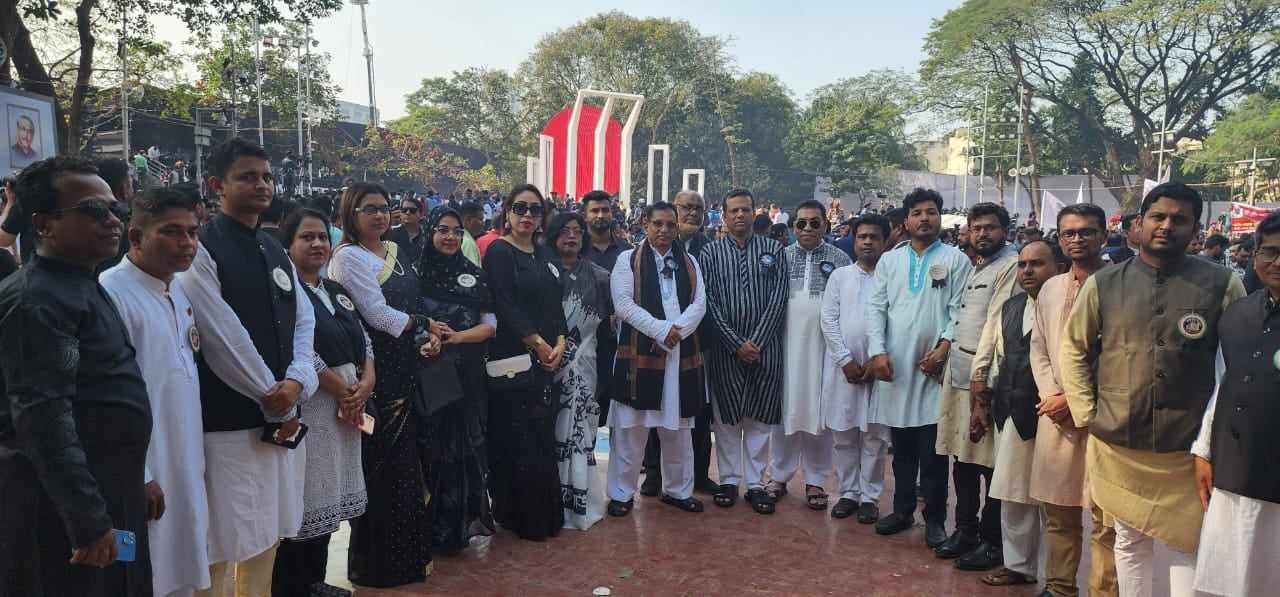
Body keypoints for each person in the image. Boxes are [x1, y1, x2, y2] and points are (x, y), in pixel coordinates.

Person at [1062, 182, 1245, 597]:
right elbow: (1073, 348)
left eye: (1179, 219)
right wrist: (1087, 413)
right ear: (1138, 224)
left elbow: (1237, 362)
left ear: (1196, 228)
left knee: (1188, 541)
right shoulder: (1104, 284)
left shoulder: (1221, 284)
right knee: (1128, 539)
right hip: (1118, 438)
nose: (1166, 226)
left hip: (1190, 445)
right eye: (1157, 217)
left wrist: (1219, 433)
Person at [0, 157, 151, 596]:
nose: (111, 221)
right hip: (60, 511)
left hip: (110, 492)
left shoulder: (82, 284)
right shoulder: (37, 301)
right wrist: (87, 520)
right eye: (92, 211)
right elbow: (43, 416)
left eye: (115, 210)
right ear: (44, 224)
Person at [176, 139, 317, 597]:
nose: (262, 185)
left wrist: (297, 380)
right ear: (217, 185)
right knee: (222, 539)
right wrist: (268, 392)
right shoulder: (202, 247)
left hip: (279, 414)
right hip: (227, 421)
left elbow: (303, 319)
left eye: (266, 177)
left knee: (268, 535)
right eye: (248, 177)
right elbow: (220, 333)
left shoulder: (274, 248)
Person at [100, 188, 211, 597]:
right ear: (135, 237)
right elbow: (107, 399)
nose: (187, 243)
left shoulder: (177, 288)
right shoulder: (112, 293)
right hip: (142, 471)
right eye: (172, 232)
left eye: (193, 232)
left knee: (180, 568)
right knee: (139, 572)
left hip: (183, 461)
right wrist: (141, 475)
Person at [327, 182, 435, 586]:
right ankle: (377, 565)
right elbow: (375, 314)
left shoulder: (395, 251)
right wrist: (423, 326)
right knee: (383, 470)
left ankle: (411, 558)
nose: (379, 215)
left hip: (410, 368)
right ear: (350, 215)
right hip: (380, 376)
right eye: (368, 208)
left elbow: (414, 301)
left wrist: (428, 334)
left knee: (411, 468)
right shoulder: (349, 259)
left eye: (384, 207)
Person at [270, 208, 371, 597]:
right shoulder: (284, 294)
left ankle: (315, 580)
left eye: (322, 237)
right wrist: (342, 390)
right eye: (306, 238)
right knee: (308, 496)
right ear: (288, 245)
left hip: (348, 403)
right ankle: (293, 587)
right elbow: (300, 349)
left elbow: (365, 339)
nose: (317, 244)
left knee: (331, 497)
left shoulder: (335, 290)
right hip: (314, 402)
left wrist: (366, 381)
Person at [866, 188, 972, 549]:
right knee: (903, 448)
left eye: (931, 212)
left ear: (940, 218)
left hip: (934, 371)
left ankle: (936, 520)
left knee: (934, 452)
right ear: (906, 220)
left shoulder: (957, 260)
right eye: (917, 213)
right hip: (896, 368)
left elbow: (960, 310)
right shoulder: (890, 261)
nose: (924, 218)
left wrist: (944, 347)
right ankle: (901, 509)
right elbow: (876, 309)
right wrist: (877, 352)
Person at [1030, 203, 1119, 597]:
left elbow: (1121, 355)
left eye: (1086, 231)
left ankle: (1103, 592)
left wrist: (1075, 400)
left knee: (1106, 519)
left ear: (1103, 235)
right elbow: (1039, 348)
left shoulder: (1120, 285)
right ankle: (1060, 586)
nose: (1077, 239)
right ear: (1060, 238)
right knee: (1059, 510)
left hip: (1105, 416)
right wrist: (1053, 396)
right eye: (1069, 233)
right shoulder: (1050, 288)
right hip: (1056, 416)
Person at [1191, 210, 1280, 597]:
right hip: (1233, 465)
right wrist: (1204, 450)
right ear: (1256, 256)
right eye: (1270, 252)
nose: (1277, 262)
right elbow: (1221, 383)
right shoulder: (1240, 313)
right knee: (1232, 574)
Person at [969, 239, 1067, 588]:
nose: (1027, 271)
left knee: (1057, 502)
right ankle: (1019, 566)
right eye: (1023, 265)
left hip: (1061, 417)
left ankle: (1058, 579)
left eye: (1036, 264)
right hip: (1013, 411)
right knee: (1013, 493)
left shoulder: (1072, 305)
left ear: (1059, 266)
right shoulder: (1010, 308)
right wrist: (982, 401)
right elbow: (994, 356)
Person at [606, 201, 708, 516]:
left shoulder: (689, 261)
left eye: (670, 225)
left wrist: (676, 332)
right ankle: (622, 494)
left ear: (677, 228)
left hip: (681, 355)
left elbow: (700, 303)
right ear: (645, 224)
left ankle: (677, 491)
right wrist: (662, 331)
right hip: (641, 355)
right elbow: (623, 304)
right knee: (631, 430)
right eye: (658, 224)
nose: (664, 230)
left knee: (678, 430)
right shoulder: (628, 260)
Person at [482, 184, 569, 541]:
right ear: (507, 211)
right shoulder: (500, 253)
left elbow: (556, 303)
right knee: (515, 437)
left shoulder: (545, 254)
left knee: (541, 436)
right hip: (514, 360)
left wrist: (561, 342)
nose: (527, 216)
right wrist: (537, 343)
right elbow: (504, 304)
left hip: (548, 359)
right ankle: (519, 516)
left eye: (535, 210)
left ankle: (545, 514)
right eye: (520, 208)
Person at [934, 202, 1018, 568]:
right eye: (977, 227)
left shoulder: (1011, 267)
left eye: (991, 227)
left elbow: (997, 330)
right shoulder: (975, 266)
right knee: (962, 458)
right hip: (959, 375)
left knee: (990, 465)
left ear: (1005, 231)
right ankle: (965, 530)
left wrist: (983, 389)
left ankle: (992, 540)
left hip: (988, 382)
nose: (983, 233)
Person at [700, 188, 788, 515]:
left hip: (766, 349)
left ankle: (754, 483)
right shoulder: (710, 254)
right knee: (726, 418)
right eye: (733, 210)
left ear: (755, 213)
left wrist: (757, 342)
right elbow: (708, 303)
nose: (740, 215)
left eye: (745, 210)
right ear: (723, 215)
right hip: (725, 350)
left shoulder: (774, 250)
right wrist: (736, 344)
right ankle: (728, 479)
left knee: (759, 419)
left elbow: (778, 299)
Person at [417, 206, 497, 552]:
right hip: (429, 376)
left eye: (456, 231)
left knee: (465, 449)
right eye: (442, 230)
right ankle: (427, 527)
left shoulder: (474, 275)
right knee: (431, 450)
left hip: (467, 373)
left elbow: (490, 325)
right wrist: (428, 339)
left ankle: (456, 528)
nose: (449, 237)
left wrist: (457, 337)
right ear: (430, 233)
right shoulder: (416, 274)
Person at [773, 200, 850, 510]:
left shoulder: (841, 260)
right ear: (793, 228)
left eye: (814, 223)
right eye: (801, 223)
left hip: (823, 350)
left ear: (826, 226)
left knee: (820, 415)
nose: (807, 229)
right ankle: (778, 475)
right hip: (786, 347)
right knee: (783, 412)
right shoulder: (779, 257)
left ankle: (816, 479)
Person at [640, 190, 717, 496]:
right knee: (655, 405)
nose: (693, 213)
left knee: (696, 408)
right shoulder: (645, 251)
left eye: (699, 208)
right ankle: (655, 474)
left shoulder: (709, 250)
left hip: (698, 340)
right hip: (656, 338)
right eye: (686, 207)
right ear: (673, 210)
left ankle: (698, 474)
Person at [821, 214, 891, 523]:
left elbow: (896, 322)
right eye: (862, 236)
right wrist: (845, 360)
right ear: (854, 239)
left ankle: (870, 497)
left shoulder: (891, 277)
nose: (867, 242)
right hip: (843, 370)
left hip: (880, 370)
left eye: (874, 237)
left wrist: (877, 361)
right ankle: (848, 493)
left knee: (874, 437)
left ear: (884, 241)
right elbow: (828, 320)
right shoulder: (840, 276)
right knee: (844, 435)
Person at [544, 212, 611, 529]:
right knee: (550, 432)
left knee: (581, 432)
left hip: (584, 364)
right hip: (547, 362)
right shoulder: (541, 271)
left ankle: (581, 504)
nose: (571, 236)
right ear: (553, 235)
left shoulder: (599, 277)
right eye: (564, 231)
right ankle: (551, 502)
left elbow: (607, 327)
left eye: (576, 232)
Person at [387, 194, 426, 266]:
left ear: (421, 214)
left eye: (412, 210)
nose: (408, 213)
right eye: (404, 210)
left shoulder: (427, 237)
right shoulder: (390, 233)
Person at [458, 201, 485, 266]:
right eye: (481, 219)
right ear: (468, 219)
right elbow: (471, 274)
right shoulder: (468, 243)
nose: (483, 224)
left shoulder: (459, 236)